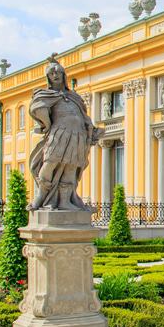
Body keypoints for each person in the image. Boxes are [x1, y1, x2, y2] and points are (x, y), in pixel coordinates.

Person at [28, 55, 100, 211]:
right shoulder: (45, 94)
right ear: (48, 77)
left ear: (63, 75)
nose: (55, 75)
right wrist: (46, 124)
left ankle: (65, 201)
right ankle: (41, 196)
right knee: (50, 162)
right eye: (52, 73)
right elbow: (37, 108)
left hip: (78, 135)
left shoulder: (74, 96)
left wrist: (91, 128)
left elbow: (83, 114)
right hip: (59, 133)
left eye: (58, 72)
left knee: (71, 166)